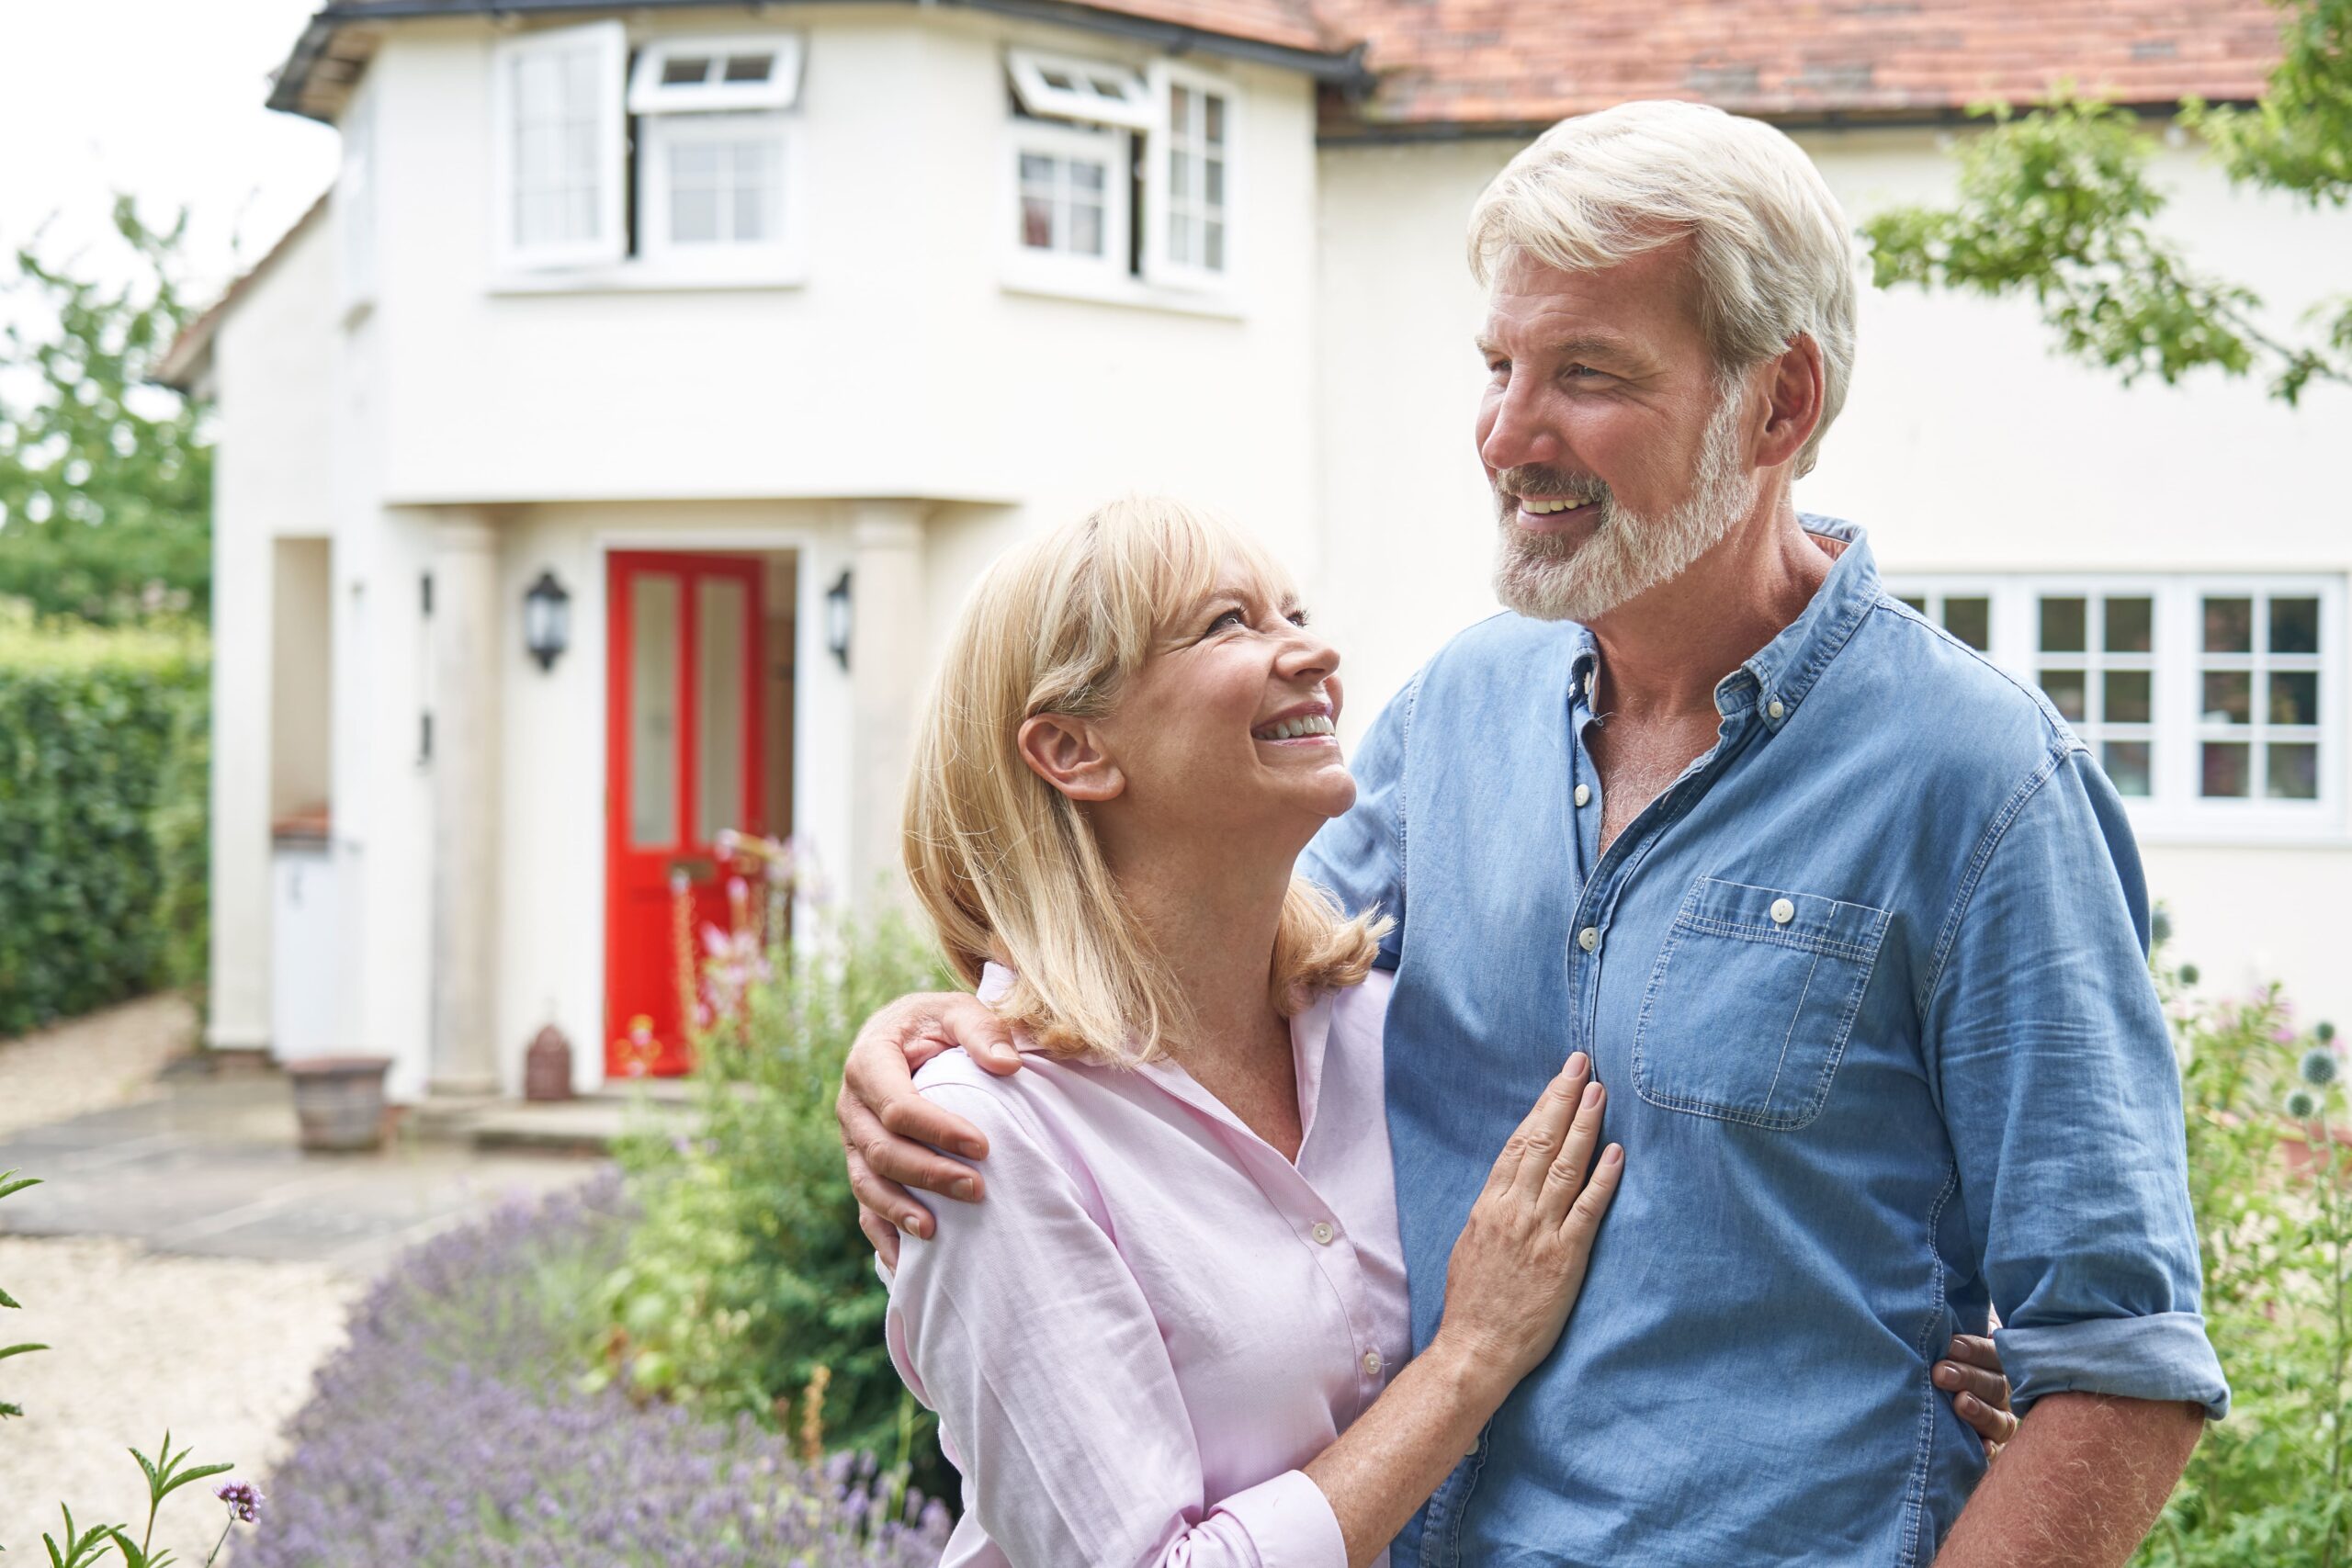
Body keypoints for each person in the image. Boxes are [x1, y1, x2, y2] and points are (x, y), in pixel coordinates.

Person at [849, 99, 2189, 1567]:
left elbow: (2118, 1367)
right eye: (1498, 365)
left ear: (1779, 404)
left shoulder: (1981, 784)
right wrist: (932, 1036)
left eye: (1587, 375)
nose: (1506, 433)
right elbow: (1211, 981)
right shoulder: (1455, 718)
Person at [880, 498, 2014, 1567]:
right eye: (1227, 624)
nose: (1312, 654)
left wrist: (1907, 1369)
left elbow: (1685, 1223)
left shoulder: (1397, 1038)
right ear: (1072, 752)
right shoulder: (980, 1142)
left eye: (1297, 614)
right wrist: (1467, 1358)